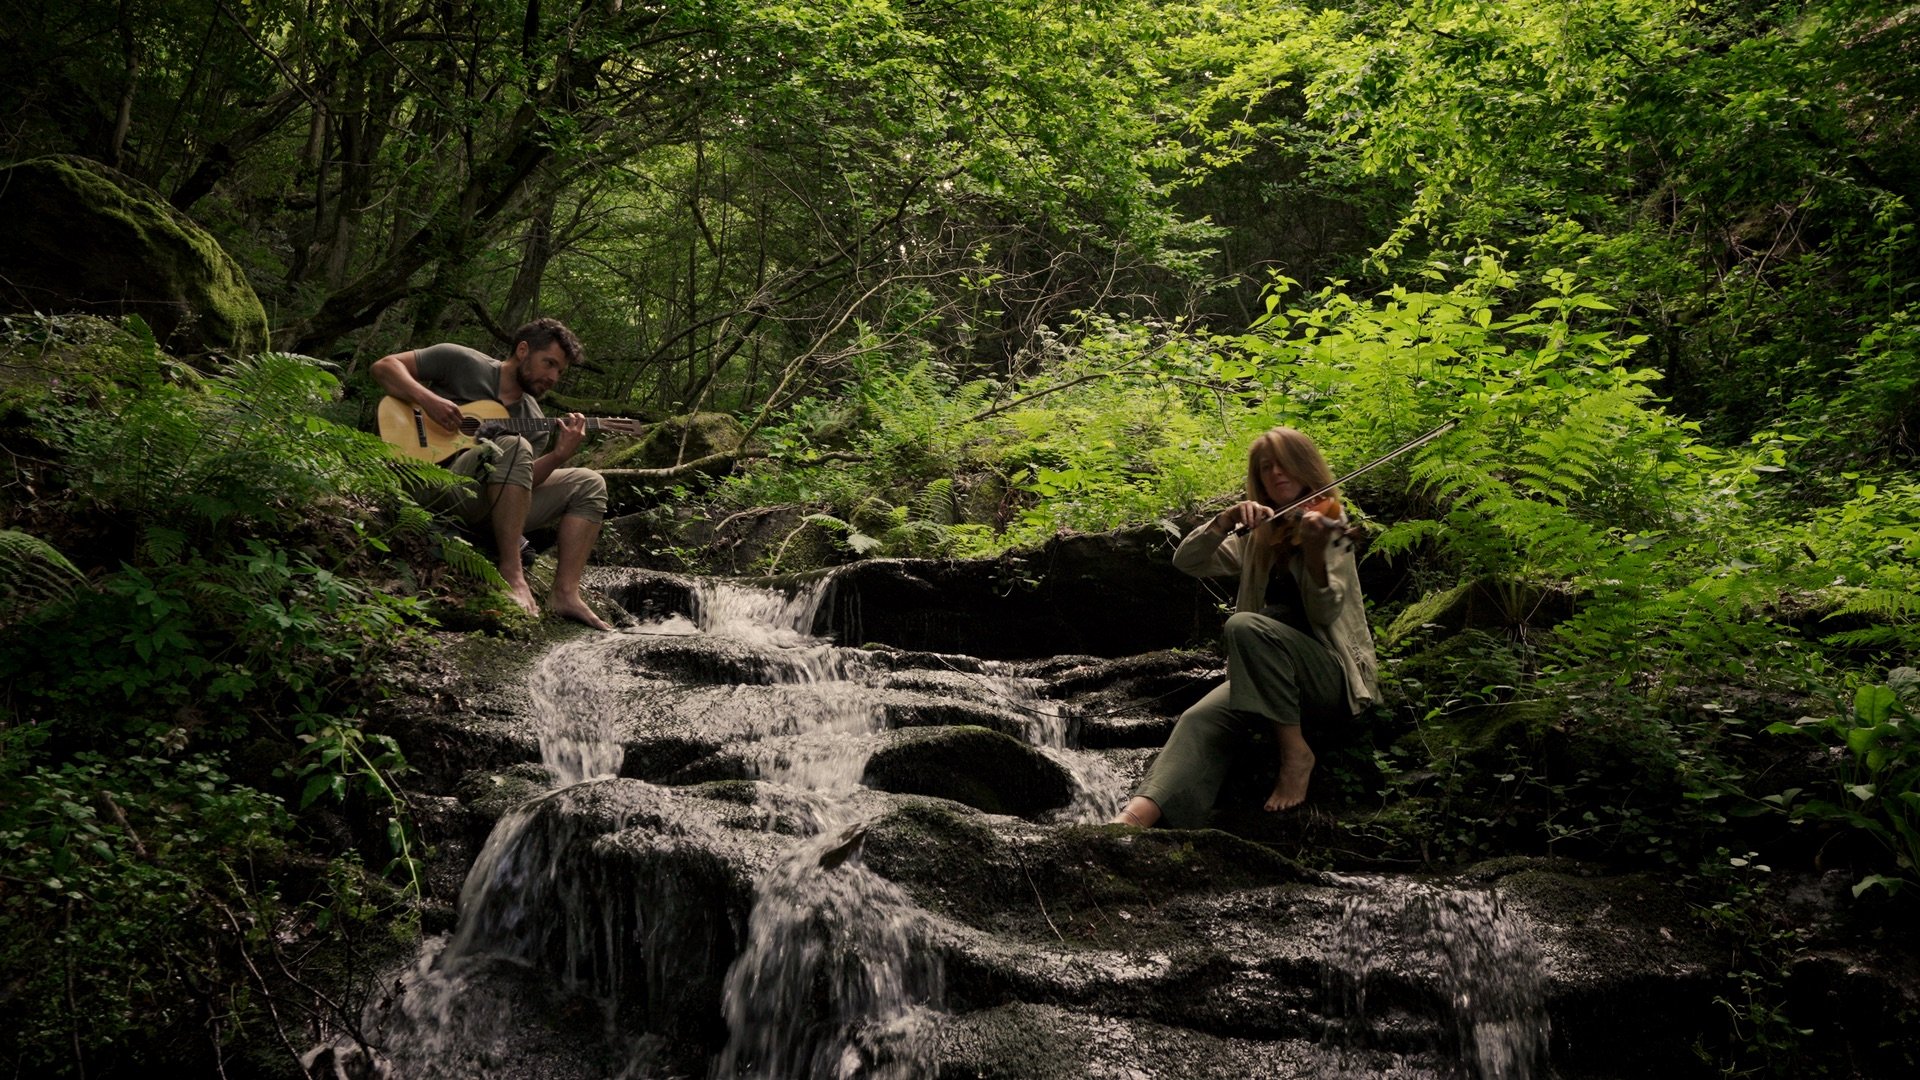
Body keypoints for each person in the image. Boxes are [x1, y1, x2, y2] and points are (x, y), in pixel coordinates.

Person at [1113, 426, 1380, 828]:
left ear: (1305, 466)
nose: (1275, 473)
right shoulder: (1260, 532)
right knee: (1198, 719)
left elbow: (1326, 614)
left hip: (1328, 675)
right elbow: (1187, 562)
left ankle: (1295, 754)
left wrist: (1312, 555)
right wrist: (1223, 521)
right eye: (1265, 467)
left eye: (1284, 463)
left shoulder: (1330, 523)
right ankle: (1132, 821)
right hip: (1268, 676)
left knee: (1244, 625)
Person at [371, 318, 612, 630]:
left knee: (590, 483)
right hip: (426, 480)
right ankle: (512, 572)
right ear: (523, 350)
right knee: (513, 446)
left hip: (482, 504)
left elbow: (522, 483)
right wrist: (427, 399)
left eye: (560, 371)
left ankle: (565, 593)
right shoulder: (461, 361)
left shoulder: (533, 417)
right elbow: (384, 367)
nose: (553, 377)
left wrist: (558, 456)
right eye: (548, 363)